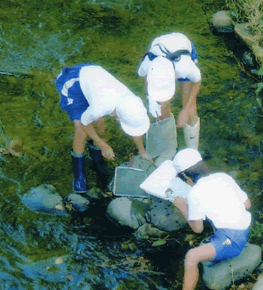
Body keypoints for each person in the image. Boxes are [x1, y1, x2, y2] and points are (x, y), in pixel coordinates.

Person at [55, 63, 150, 194]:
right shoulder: (101, 106)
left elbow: (136, 126)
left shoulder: (133, 102)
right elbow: (84, 123)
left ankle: (95, 158)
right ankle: (79, 176)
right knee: (81, 131)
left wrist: (142, 152)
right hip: (74, 83)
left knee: (100, 123)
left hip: (95, 84)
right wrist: (102, 144)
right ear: (118, 117)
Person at [170, 150, 252, 290]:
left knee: (191, 257)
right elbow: (247, 204)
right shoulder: (223, 177)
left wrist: (182, 206)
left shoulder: (194, 193)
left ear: (184, 175)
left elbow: (198, 229)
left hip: (231, 241)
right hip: (244, 228)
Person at [137, 32, 202, 152]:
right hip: (159, 50)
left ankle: (193, 152)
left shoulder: (185, 67)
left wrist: (185, 109)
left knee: (190, 111)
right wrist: (151, 99)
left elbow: (197, 82)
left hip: (182, 49)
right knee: (161, 111)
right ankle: (168, 148)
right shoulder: (147, 65)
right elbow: (145, 78)